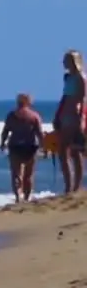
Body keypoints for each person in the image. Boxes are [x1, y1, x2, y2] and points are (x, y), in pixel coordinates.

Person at [0, 93, 45, 203]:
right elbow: (39, 133)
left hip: (15, 147)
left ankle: (17, 197)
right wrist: (44, 147)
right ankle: (27, 197)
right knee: (29, 175)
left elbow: (5, 131)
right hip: (30, 147)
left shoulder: (11, 115)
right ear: (29, 102)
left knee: (16, 174)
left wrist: (2, 143)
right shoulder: (34, 115)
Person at [54, 50, 86, 194]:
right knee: (62, 150)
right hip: (65, 114)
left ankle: (76, 186)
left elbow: (83, 98)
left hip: (75, 115)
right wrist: (57, 115)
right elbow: (64, 97)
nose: (64, 63)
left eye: (67, 60)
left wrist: (82, 118)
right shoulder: (67, 77)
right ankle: (69, 185)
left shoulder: (81, 77)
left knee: (75, 150)